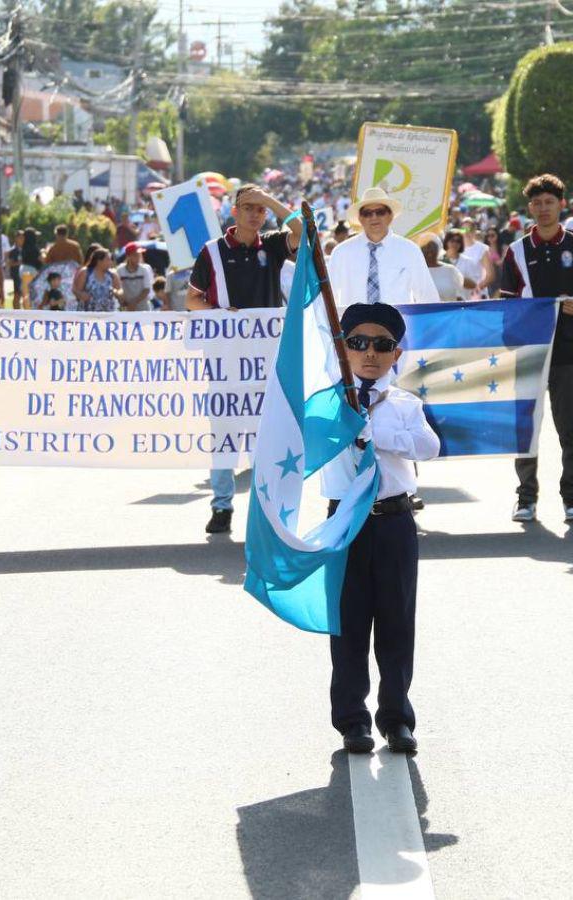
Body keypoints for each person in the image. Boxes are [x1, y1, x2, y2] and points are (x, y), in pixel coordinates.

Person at [322, 302, 440, 754]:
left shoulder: (405, 403)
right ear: (343, 348)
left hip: (393, 520)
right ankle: (352, 719)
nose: (369, 353)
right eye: (358, 343)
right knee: (348, 624)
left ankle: (397, 718)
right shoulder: (328, 401)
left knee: (396, 622)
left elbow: (429, 447)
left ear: (396, 353)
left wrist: (379, 436)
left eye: (382, 345)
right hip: (344, 522)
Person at [187, 184, 303, 534]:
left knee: (263, 433)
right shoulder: (211, 252)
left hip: (266, 358)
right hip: (225, 360)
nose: (255, 213)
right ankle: (222, 505)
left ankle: (264, 504)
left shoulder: (272, 244)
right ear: (233, 212)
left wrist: (271, 200)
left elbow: (304, 232)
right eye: (248, 206)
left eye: (260, 208)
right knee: (224, 432)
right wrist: (221, 313)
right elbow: (192, 300)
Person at [500, 174, 573, 522]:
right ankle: (526, 498)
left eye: (549, 203)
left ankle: (572, 497)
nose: (543, 209)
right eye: (537, 203)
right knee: (527, 428)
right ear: (530, 208)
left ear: (561, 205)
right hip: (527, 352)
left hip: (568, 351)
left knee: (570, 427)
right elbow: (507, 304)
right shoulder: (516, 252)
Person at [327, 187, 439, 308]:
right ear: (360, 218)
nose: (374, 217)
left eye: (380, 212)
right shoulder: (341, 253)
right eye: (367, 213)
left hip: (398, 325)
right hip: (352, 326)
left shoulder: (409, 250)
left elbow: (427, 296)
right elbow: (328, 298)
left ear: (390, 216)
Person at [421, 234, 466, 302]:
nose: (429, 250)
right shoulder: (417, 271)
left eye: (432, 246)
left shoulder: (450, 270)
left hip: (449, 311)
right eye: (425, 247)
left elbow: (459, 296)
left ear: (438, 249)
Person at [75, 248, 120, 312]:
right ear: (99, 261)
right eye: (108, 260)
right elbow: (76, 290)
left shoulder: (112, 274)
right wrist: (81, 295)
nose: (111, 262)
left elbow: (120, 290)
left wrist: (116, 292)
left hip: (109, 315)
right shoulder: (85, 272)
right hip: (87, 314)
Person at [116, 242, 155, 312]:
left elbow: (146, 289)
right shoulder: (120, 270)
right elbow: (118, 288)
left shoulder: (144, 270)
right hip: (125, 308)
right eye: (135, 255)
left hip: (143, 309)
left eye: (139, 255)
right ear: (128, 256)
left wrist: (134, 303)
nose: (138, 257)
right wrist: (123, 300)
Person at [440, 230, 479, 295]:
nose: (455, 243)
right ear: (446, 241)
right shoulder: (438, 260)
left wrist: (456, 277)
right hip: (443, 301)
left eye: (458, 241)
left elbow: (474, 285)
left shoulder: (468, 262)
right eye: (452, 240)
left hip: (462, 302)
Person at [6, 230, 25, 309]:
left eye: (23, 237)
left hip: (25, 275)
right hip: (16, 275)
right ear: (16, 238)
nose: (22, 239)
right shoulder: (13, 251)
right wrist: (19, 263)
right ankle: (16, 310)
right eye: (20, 237)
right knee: (17, 294)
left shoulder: (25, 250)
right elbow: (9, 263)